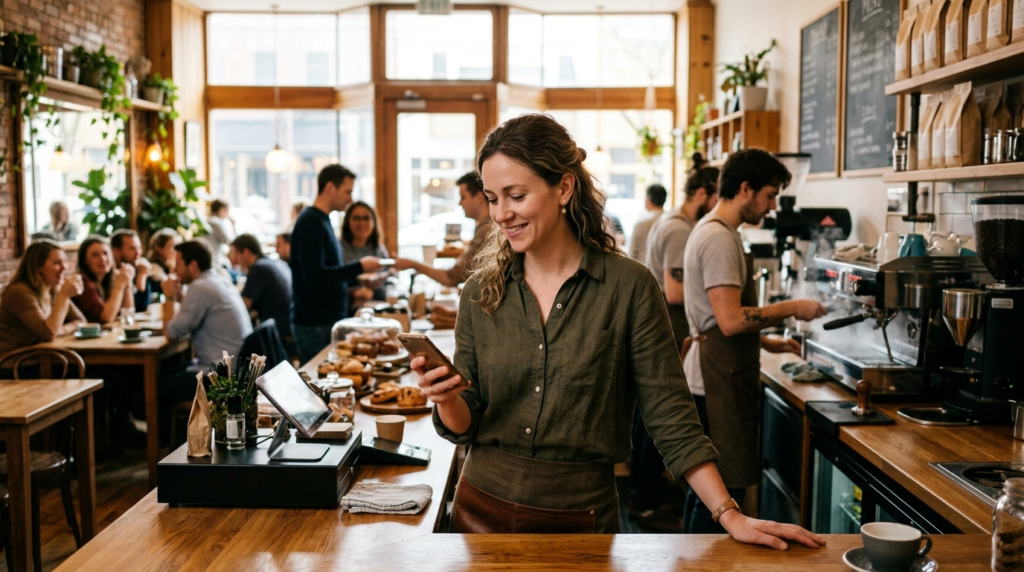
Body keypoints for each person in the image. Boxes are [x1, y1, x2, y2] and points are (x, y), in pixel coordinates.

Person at [414, 114, 825, 551]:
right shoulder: (481, 289)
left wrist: (730, 514)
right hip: (479, 510)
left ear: (564, 188)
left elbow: (670, 416)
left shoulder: (628, 286)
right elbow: (466, 421)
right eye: (493, 198)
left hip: (581, 518)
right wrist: (447, 398)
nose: (501, 214)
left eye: (516, 196)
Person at [681, 148, 828, 533]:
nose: (773, 205)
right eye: (770, 194)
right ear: (745, 189)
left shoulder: (717, 231)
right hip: (715, 380)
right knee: (718, 496)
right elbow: (729, 320)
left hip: (716, 369)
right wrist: (793, 307)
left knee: (706, 491)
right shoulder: (719, 239)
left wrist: (767, 343)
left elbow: (716, 316)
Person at [629, 164, 719, 531]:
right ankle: (647, 502)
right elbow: (676, 291)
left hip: (666, 332)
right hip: (672, 332)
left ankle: (644, 496)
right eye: (714, 197)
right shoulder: (680, 229)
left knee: (647, 420)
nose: (715, 205)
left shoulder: (666, 221)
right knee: (661, 419)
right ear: (700, 194)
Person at [290, 165, 381, 363]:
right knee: (322, 385)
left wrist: (359, 281)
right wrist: (360, 267)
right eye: (347, 191)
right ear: (330, 187)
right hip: (315, 323)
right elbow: (314, 277)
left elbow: (327, 275)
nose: (350, 199)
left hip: (325, 320)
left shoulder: (321, 220)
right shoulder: (311, 223)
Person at [162, 240, 252, 368]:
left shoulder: (201, 287)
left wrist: (169, 296)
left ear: (193, 265)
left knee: (159, 383)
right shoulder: (218, 279)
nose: (175, 269)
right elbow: (187, 321)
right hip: (237, 364)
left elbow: (171, 333)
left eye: (178, 264)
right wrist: (180, 296)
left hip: (220, 374)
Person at [393, 173, 494, 287]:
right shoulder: (486, 227)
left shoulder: (486, 230)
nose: (459, 203)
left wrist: (411, 264)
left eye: (463, 197)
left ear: (480, 198)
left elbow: (451, 278)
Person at [0, 240, 85, 356]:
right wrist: (64, 296)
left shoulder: (53, 289)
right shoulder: (19, 292)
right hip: (15, 365)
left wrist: (60, 330)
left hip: (41, 358)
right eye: (57, 263)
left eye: (64, 262)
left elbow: (81, 321)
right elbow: (47, 334)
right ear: (38, 267)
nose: (64, 267)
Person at [229, 233, 293, 340]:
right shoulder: (275, 262)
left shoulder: (259, 269)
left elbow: (244, 306)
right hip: (291, 322)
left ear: (246, 252)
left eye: (236, 254)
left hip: (281, 331)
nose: (235, 260)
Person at [72, 235, 136, 324]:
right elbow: (106, 318)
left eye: (105, 253)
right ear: (85, 260)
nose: (102, 258)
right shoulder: (81, 282)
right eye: (95, 255)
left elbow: (127, 314)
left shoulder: (109, 279)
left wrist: (127, 282)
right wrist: (119, 285)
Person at [340, 201, 389, 308]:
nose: (361, 223)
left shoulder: (378, 249)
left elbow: (389, 282)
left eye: (366, 218)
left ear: (374, 221)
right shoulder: (339, 249)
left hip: (377, 309)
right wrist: (354, 293)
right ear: (347, 221)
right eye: (356, 218)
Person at [111, 229, 153, 310]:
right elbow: (137, 308)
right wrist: (142, 275)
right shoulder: (111, 274)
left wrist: (142, 275)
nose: (138, 253)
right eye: (132, 248)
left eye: (139, 248)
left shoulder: (137, 267)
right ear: (117, 251)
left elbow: (146, 307)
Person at [628, 184, 667, 261]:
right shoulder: (670, 221)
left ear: (648, 200)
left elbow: (632, 253)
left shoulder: (641, 224)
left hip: (642, 269)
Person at [207, 199, 236, 267]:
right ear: (221, 210)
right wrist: (233, 225)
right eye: (227, 210)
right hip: (214, 261)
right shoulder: (215, 223)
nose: (228, 214)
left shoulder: (209, 220)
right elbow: (231, 242)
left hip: (212, 259)